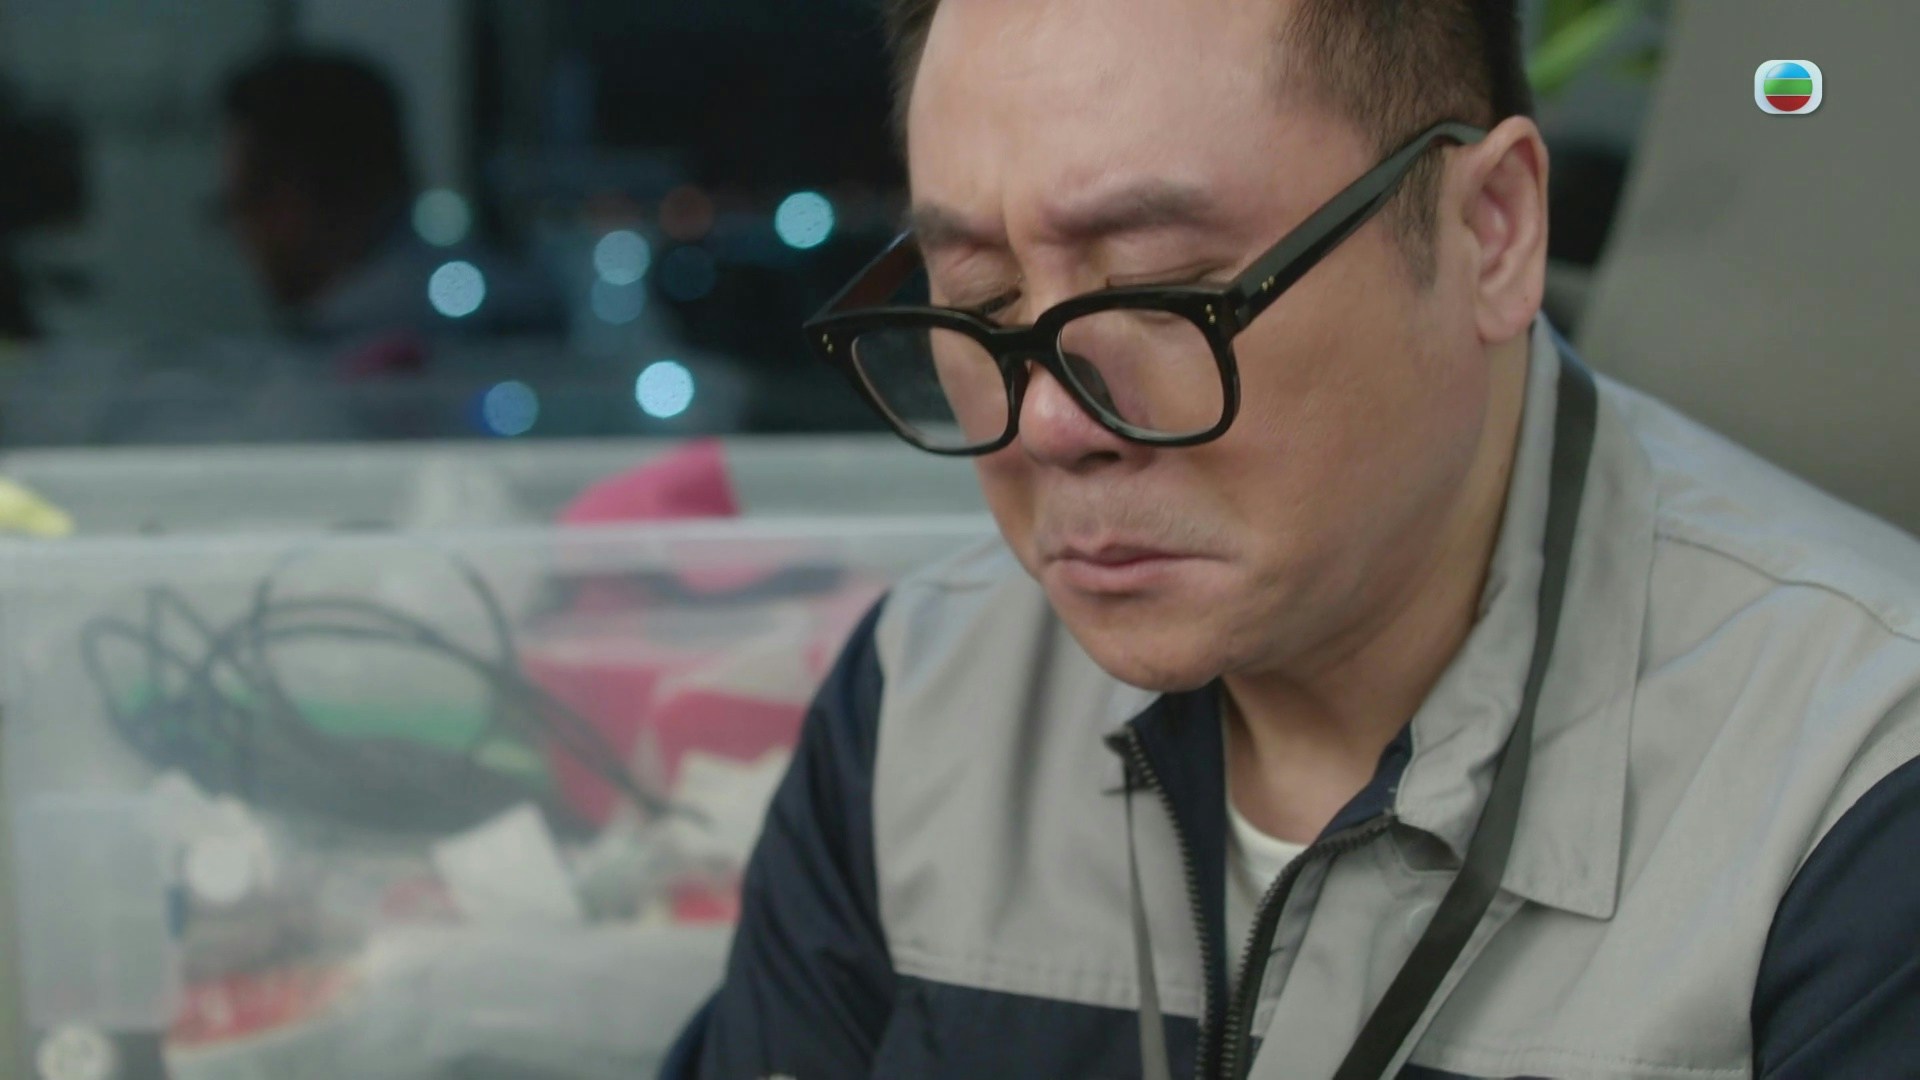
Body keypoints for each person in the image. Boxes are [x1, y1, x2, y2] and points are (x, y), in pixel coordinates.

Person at [669, 1, 1920, 1077]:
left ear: (1490, 230)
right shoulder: (920, 709)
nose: (1050, 422)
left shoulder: (1852, 794)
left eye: (1164, 292)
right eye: (981, 303)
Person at [216, 49, 557, 357]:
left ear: (295, 197)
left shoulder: (356, 344)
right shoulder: (516, 301)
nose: (240, 233)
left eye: (242, 202)